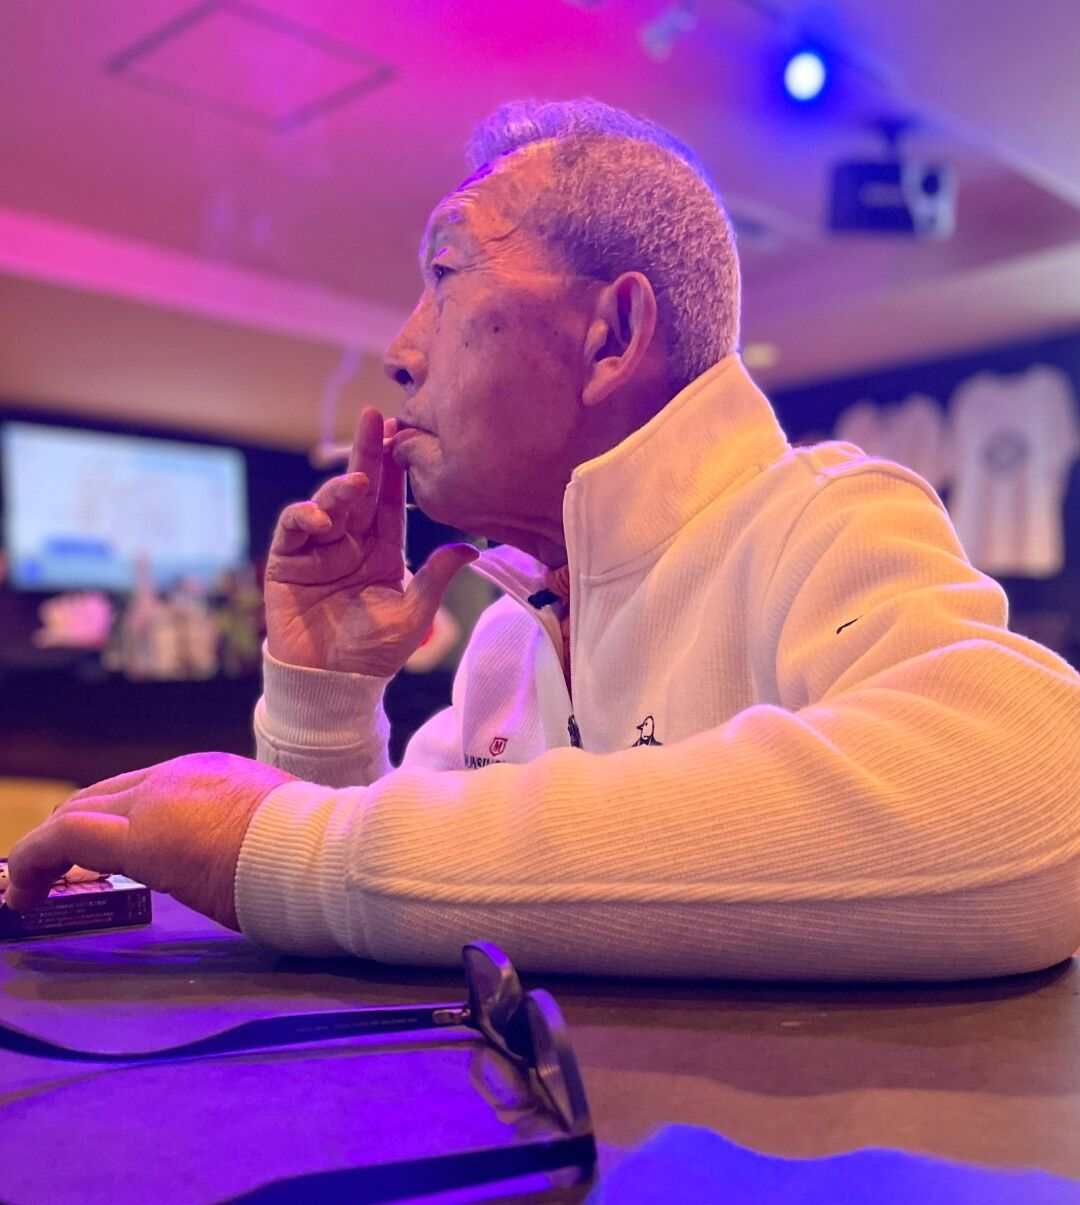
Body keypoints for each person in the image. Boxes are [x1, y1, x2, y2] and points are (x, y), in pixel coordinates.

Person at [5, 100, 1079, 979]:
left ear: (611, 335)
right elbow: (387, 908)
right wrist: (323, 700)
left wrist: (285, 848)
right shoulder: (508, 637)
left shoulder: (826, 515)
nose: (399, 350)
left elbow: (1028, 799)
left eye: (444, 275)